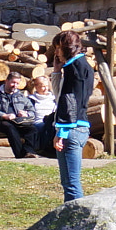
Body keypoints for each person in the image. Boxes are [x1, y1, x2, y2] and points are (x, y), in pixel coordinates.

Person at [47, 31, 95, 201]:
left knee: (71, 182)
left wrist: (61, 133)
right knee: (71, 181)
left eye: (58, 48)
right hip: (81, 128)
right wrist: (57, 72)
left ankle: (75, 222)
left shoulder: (74, 68)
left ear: (67, 47)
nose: (56, 52)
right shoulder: (83, 66)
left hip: (71, 130)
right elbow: (60, 95)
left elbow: (69, 103)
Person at [0, 73, 41, 158]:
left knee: (32, 130)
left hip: (19, 122)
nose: (15, 85)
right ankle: (19, 154)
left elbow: (32, 110)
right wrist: (4, 115)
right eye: (13, 83)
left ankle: (28, 151)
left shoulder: (21, 96)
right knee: (10, 128)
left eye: (17, 83)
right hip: (1, 122)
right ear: (6, 81)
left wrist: (26, 113)